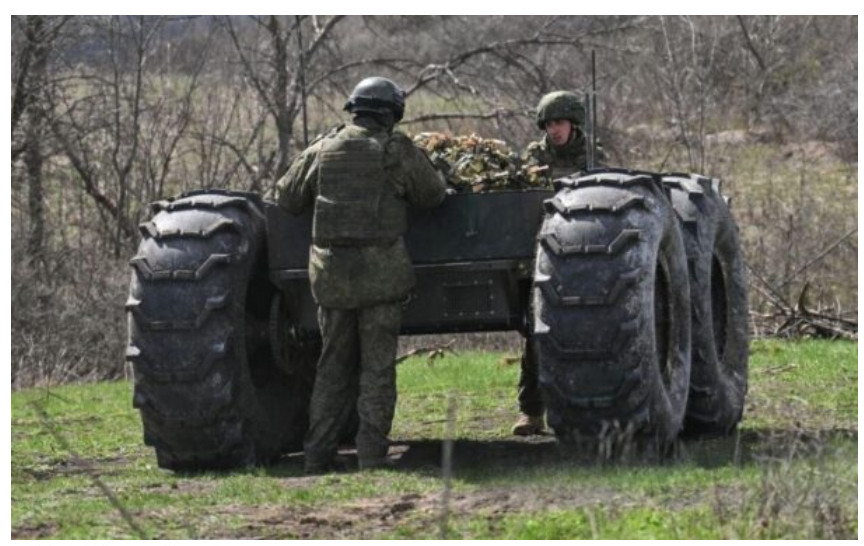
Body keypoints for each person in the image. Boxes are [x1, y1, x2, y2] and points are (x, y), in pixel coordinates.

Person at [277, 77, 446, 472]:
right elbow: (433, 195)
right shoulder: (396, 150)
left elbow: (286, 197)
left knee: (331, 366)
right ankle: (371, 454)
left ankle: (317, 453)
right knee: (376, 370)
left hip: (332, 280)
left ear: (354, 109)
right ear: (391, 113)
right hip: (382, 281)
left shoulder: (323, 148)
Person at [512, 90, 597, 436]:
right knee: (537, 332)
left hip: (582, 256)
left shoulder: (592, 156)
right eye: (549, 124)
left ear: (573, 124)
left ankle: (586, 408)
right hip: (538, 254)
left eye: (560, 122)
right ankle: (531, 411)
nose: (554, 130)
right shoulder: (533, 157)